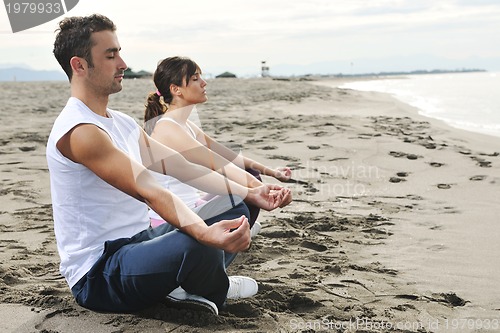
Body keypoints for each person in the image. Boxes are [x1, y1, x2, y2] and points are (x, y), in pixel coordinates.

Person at [47, 14, 289, 315]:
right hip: (100, 272)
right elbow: (147, 189)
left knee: (235, 202)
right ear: (79, 65)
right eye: (111, 55)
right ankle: (213, 285)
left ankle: (189, 281)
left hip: (141, 242)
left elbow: (182, 166)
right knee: (198, 243)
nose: (123, 63)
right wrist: (202, 232)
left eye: (120, 52)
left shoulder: (121, 123)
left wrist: (250, 192)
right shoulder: (80, 131)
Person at [143, 56, 292, 232]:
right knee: (242, 195)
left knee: (248, 172)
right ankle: (237, 235)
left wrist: (272, 172)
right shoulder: (168, 128)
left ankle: (239, 231)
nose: (204, 83)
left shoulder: (184, 124)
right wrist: (265, 191)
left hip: (193, 206)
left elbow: (228, 157)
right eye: (195, 79)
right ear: (176, 89)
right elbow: (219, 165)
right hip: (173, 220)